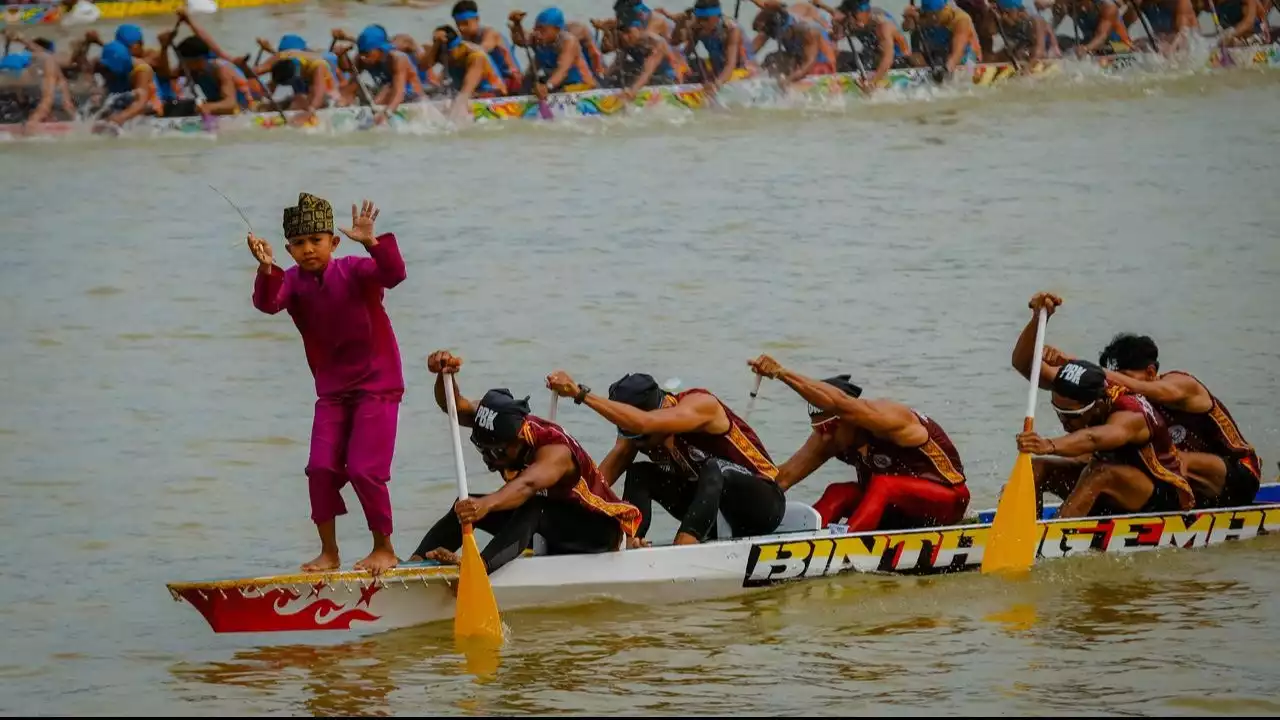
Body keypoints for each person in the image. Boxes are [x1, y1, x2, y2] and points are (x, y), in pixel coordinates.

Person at [247, 194, 407, 574]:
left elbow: (394, 275)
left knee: (364, 469)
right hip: (333, 392)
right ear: (289, 249)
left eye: (316, 241)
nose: (308, 250)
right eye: (299, 244)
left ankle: (384, 547)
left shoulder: (355, 270)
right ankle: (329, 552)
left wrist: (372, 243)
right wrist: (267, 267)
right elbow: (268, 304)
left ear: (333, 243)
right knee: (320, 469)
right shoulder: (293, 283)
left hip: (378, 384)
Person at [412, 351, 644, 571]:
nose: (490, 458)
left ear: (519, 439)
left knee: (533, 507)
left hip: (598, 532)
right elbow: (452, 404)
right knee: (461, 506)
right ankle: (414, 563)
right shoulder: (493, 423)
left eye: (497, 452)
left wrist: (486, 504)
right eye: (484, 450)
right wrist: (445, 375)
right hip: (551, 527)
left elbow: (527, 485)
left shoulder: (555, 451)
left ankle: (477, 569)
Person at [544, 370, 785, 544]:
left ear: (663, 411)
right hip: (708, 512)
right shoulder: (640, 434)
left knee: (714, 468)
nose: (637, 442)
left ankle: (682, 550)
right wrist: (557, 516)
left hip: (762, 506)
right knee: (639, 473)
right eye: (631, 436)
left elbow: (644, 422)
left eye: (642, 437)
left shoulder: (701, 406)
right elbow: (597, 484)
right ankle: (631, 542)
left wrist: (579, 393)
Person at [1009, 292, 1195, 518]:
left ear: (1097, 406)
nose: (1066, 423)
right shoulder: (1076, 384)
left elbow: (1093, 438)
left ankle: (1051, 539)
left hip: (1163, 495)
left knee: (1099, 473)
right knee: (1035, 468)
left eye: (1072, 416)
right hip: (1115, 483)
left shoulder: (1130, 414)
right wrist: (1039, 318)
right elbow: (1022, 363)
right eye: (1060, 414)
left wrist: (1047, 444)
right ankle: (1019, 528)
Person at [747, 355, 970, 531]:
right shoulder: (830, 437)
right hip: (898, 509)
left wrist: (782, 373)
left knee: (884, 484)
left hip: (947, 503)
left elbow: (840, 403)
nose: (824, 436)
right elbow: (782, 479)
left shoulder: (890, 421)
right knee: (838, 492)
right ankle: (804, 540)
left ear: (850, 418)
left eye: (829, 428)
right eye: (817, 429)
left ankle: (843, 545)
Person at [1059, 333, 1261, 508]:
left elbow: (1157, 391)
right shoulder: (1133, 403)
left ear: (1150, 372)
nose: (1117, 384)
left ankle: (1179, 509)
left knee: (1178, 458)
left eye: (1124, 377)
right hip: (1199, 485)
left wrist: (1090, 371)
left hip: (1241, 475)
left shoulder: (1182, 385)